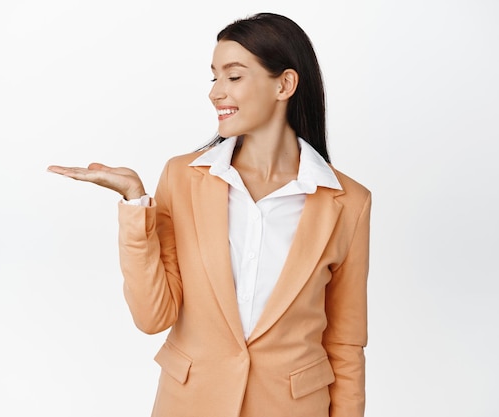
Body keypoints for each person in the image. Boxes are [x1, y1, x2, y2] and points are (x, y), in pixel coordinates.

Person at [48, 12, 371, 417]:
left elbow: (344, 343)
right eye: (214, 77)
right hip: (191, 404)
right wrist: (135, 203)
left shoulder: (349, 202)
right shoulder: (182, 178)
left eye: (233, 77)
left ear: (284, 84)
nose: (216, 92)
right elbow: (153, 317)